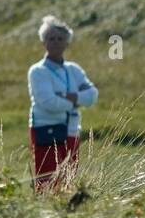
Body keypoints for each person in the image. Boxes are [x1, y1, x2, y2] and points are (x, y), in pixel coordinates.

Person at [28, 15, 98, 192]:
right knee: (47, 181)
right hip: (47, 130)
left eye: (60, 39)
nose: (56, 42)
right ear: (43, 42)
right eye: (51, 38)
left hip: (71, 130)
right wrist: (76, 100)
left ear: (67, 43)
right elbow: (49, 103)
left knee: (69, 180)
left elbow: (92, 96)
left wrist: (66, 96)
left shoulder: (73, 70)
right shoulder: (38, 71)